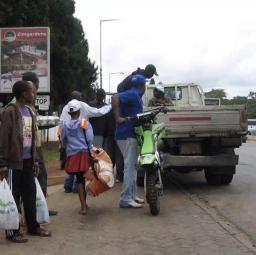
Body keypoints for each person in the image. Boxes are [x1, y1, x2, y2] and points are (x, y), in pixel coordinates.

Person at [0, 80, 51, 243]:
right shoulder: (10, 111)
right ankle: (12, 232)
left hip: (28, 161)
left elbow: (32, 138)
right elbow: (4, 139)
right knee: (14, 196)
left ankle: (33, 227)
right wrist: (2, 164)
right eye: (32, 92)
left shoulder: (29, 111)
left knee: (30, 195)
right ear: (24, 94)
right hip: (14, 163)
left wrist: (35, 161)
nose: (34, 94)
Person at [60, 90, 111, 192]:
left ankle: (68, 185)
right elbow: (97, 112)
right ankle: (76, 187)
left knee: (71, 166)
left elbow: (61, 126)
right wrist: (109, 107)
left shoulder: (66, 107)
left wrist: (63, 145)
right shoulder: (82, 105)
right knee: (80, 170)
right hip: (82, 146)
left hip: (69, 145)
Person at [112, 74, 146, 208]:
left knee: (133, 167)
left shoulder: (135, 95)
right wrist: (117, 117)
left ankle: (132, 196)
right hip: (126, 135)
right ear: (143, 85)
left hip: (128, 135)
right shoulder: (133, 94)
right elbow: (115, 97)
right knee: (129, 167)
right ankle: (125, 199)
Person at [61, 100, 93, 215]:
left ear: (69, 113)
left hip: (72, 155)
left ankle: (84, 205)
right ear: (79, 112)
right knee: (81, 180)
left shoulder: (65, 125)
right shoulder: (84, 123)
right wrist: (90, 152)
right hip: (83, 154)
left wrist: (67, 148)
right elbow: (89, 139)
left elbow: (63, 140)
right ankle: (84, 206)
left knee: (80, 179)